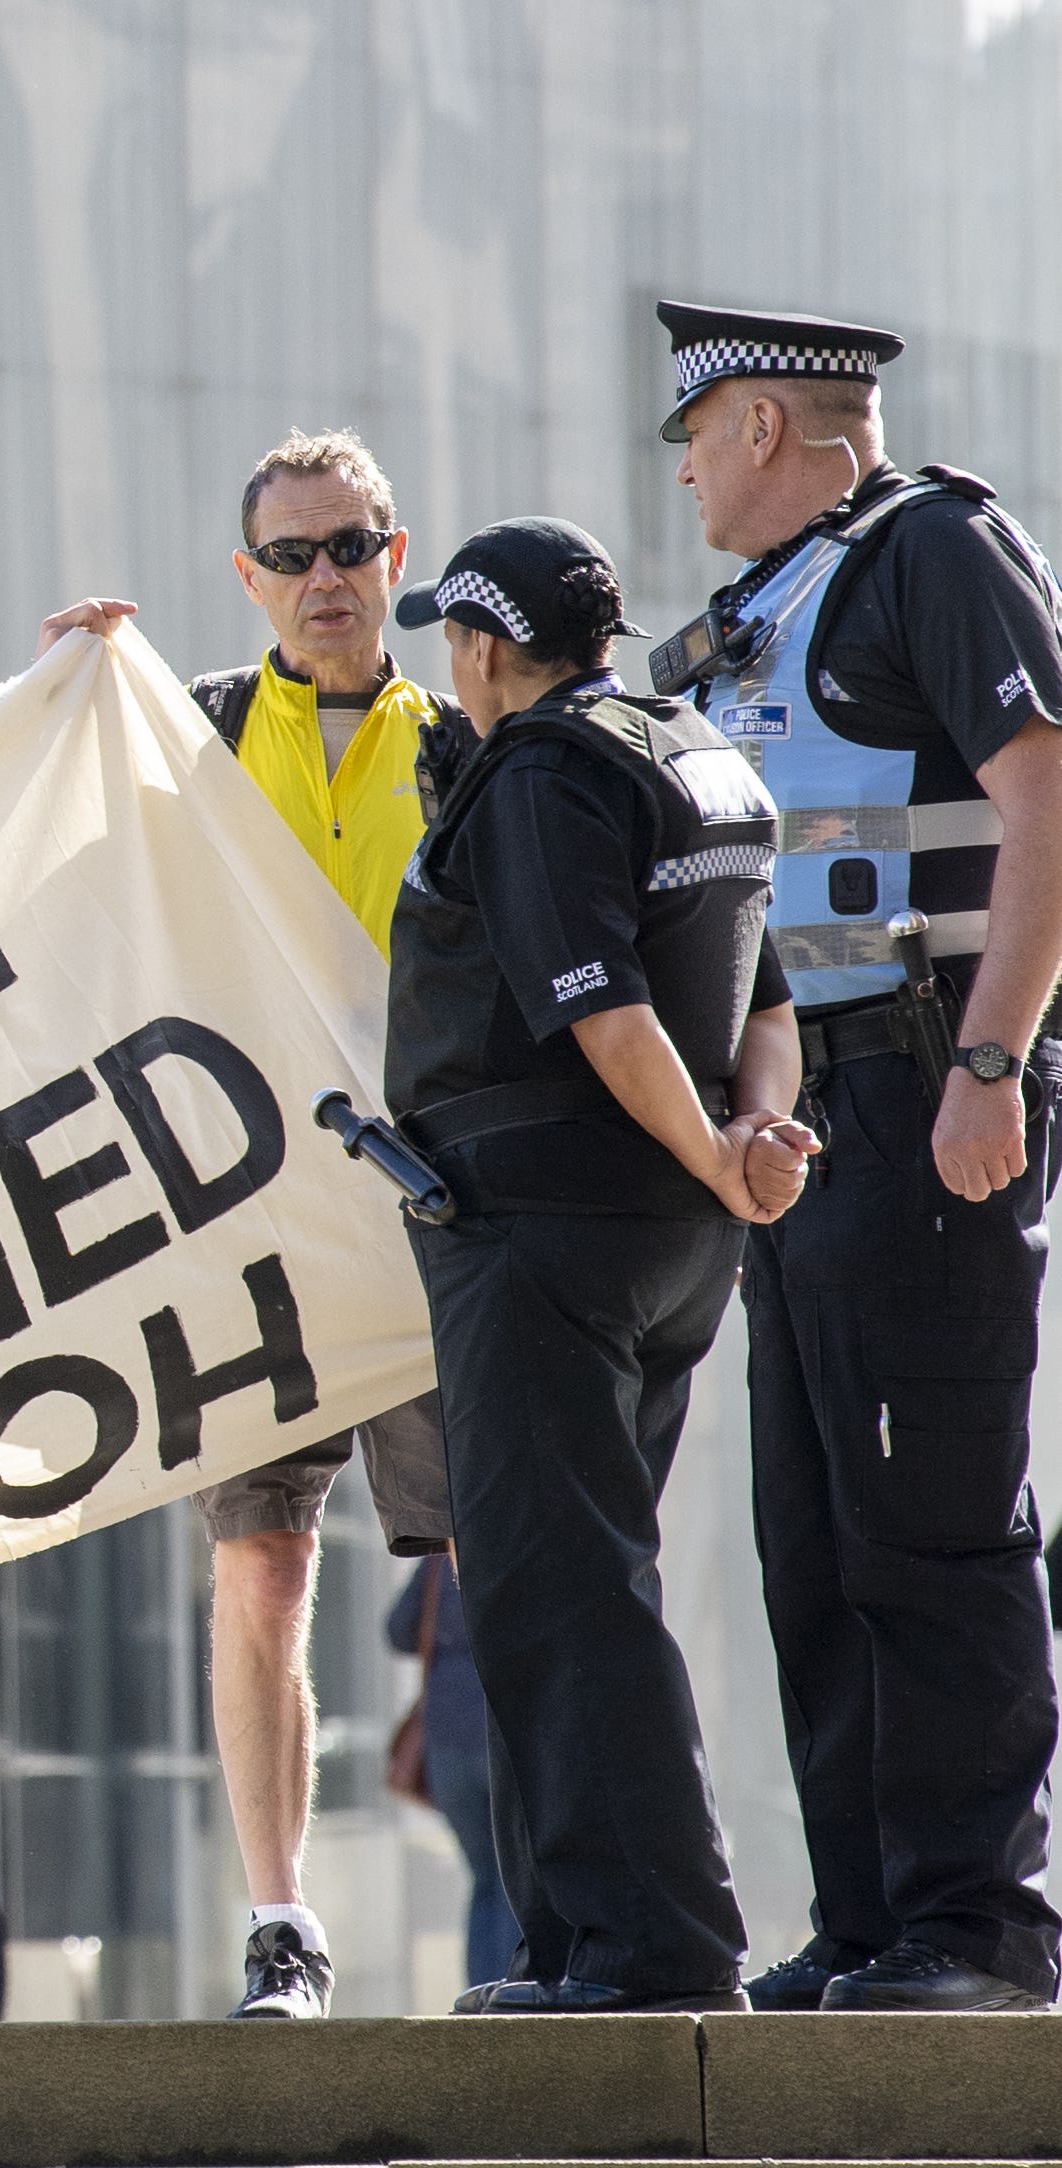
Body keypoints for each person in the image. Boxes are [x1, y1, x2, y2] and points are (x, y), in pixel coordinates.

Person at [655, 301, 1062, 2014]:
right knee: (815, 1535)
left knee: (933, 1519)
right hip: (800, 1120)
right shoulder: (753, 612)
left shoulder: (938, 555)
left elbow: (1048, 794)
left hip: (918, 1091)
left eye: (690, 439)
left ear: (757, 422)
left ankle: (978, 1927)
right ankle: (874, 1918)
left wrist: (994, 1057)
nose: (679, 476)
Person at [37, 429, 471, 2019]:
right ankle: (280, 1922)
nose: (323, 581)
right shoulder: (203, 730)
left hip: (439, 1207)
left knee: (503, 1561)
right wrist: (68, 699)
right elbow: (33, 862)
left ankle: (569, 1896)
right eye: (290, 558)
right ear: (249, 580)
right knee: (262, 1562)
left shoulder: (466, 735)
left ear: (396, 554)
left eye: (348, 548)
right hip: (255, 1220)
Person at [381, 517, 809, 2014]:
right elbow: (769, 996)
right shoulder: (699, 751)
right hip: (666, 1236)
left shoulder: (544, 771)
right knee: (568, 1578)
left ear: (490, 648)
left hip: (548, 1228)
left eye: (457, 641)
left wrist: (717, 1153)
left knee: (559, 1591)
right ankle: (568, 1943)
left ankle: (648, 1952)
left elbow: (605, 1008)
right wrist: (749, 1140)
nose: (454, 665)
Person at [381, 1555, 514, 1992]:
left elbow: (398, 1630)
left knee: (484, 1877)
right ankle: (515, 1994)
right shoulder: (515, 1537)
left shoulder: (439, 1558)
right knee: (516, 1879)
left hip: (446, 1750)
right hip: (503, 1738)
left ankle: (482, 1997)